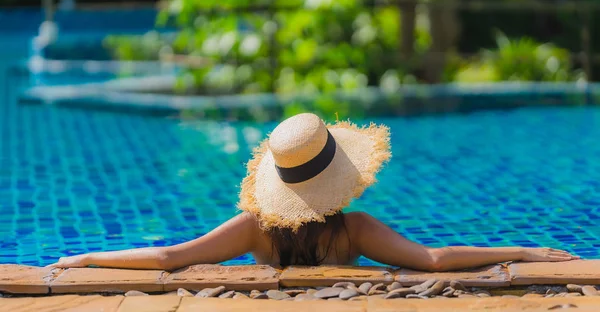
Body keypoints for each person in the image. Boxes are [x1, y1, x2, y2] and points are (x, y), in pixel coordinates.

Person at [50, 113, 579, 271]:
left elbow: (170, 256)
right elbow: (434, 259)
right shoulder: (354, 232)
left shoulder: (256, 231)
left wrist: (84, 257)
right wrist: (523, 250)